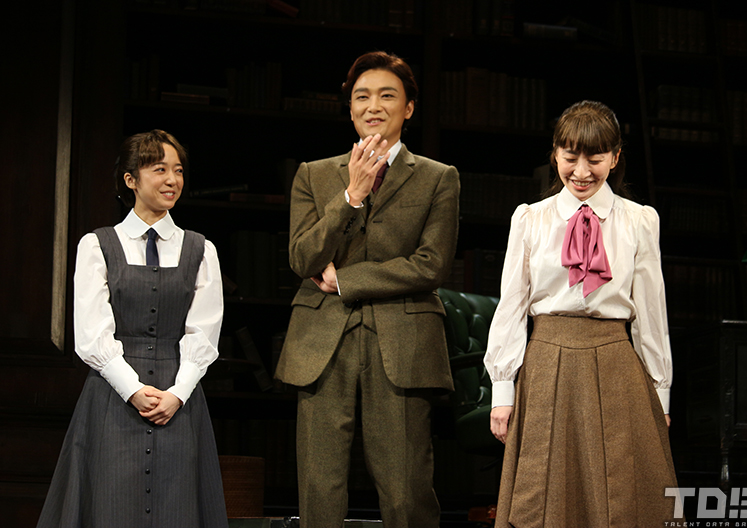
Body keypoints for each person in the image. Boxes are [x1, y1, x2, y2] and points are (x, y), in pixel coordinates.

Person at [274, 51, 460, 528]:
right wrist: (350, 196)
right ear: (351, 107)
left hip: (401, 340)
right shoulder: (314, 174)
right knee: (319, 487)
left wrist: (346, 281)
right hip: (322, 341)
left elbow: (431, 264)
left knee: (405, 490)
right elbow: (302, 258)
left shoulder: (439, 177)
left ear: (409, 107)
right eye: (362, 96)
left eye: (387, 95)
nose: (373, 106)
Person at [484, 101, 681, 527]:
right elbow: (512, 305)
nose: (581, 171)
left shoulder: (639, 221)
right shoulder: (531, 219)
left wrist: (659, 392)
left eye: (595, 158)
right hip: (547, 359)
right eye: (570, 157)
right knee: (545, 490)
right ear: (555, 154)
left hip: (615, 361)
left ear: (615, 157)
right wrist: (502, 391)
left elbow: (651, 311)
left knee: (621, 490)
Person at [37, 130, 228, 528]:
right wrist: (133, 390)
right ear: (131, 179)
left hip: (180, 399)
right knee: (111, 507)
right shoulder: (97, 245)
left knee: (178, 511)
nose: (172, 180)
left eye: (178, 170)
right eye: (159, 169)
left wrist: (177, 394)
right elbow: (91, 332)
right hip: (113, 399)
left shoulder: (200, 249)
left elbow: (204, 332)